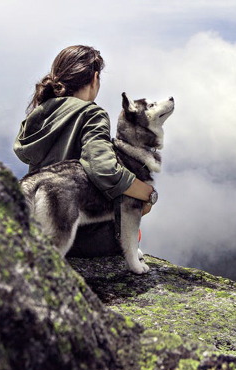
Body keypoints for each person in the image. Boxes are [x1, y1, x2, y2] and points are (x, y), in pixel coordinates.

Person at [13, 45, 154, 257]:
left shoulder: (39, 114)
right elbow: (103, 168)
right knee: (133, 228)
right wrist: (147, 193)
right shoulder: (91, 114)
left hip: (40, 229)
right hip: (80, 236)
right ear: (95, 78)